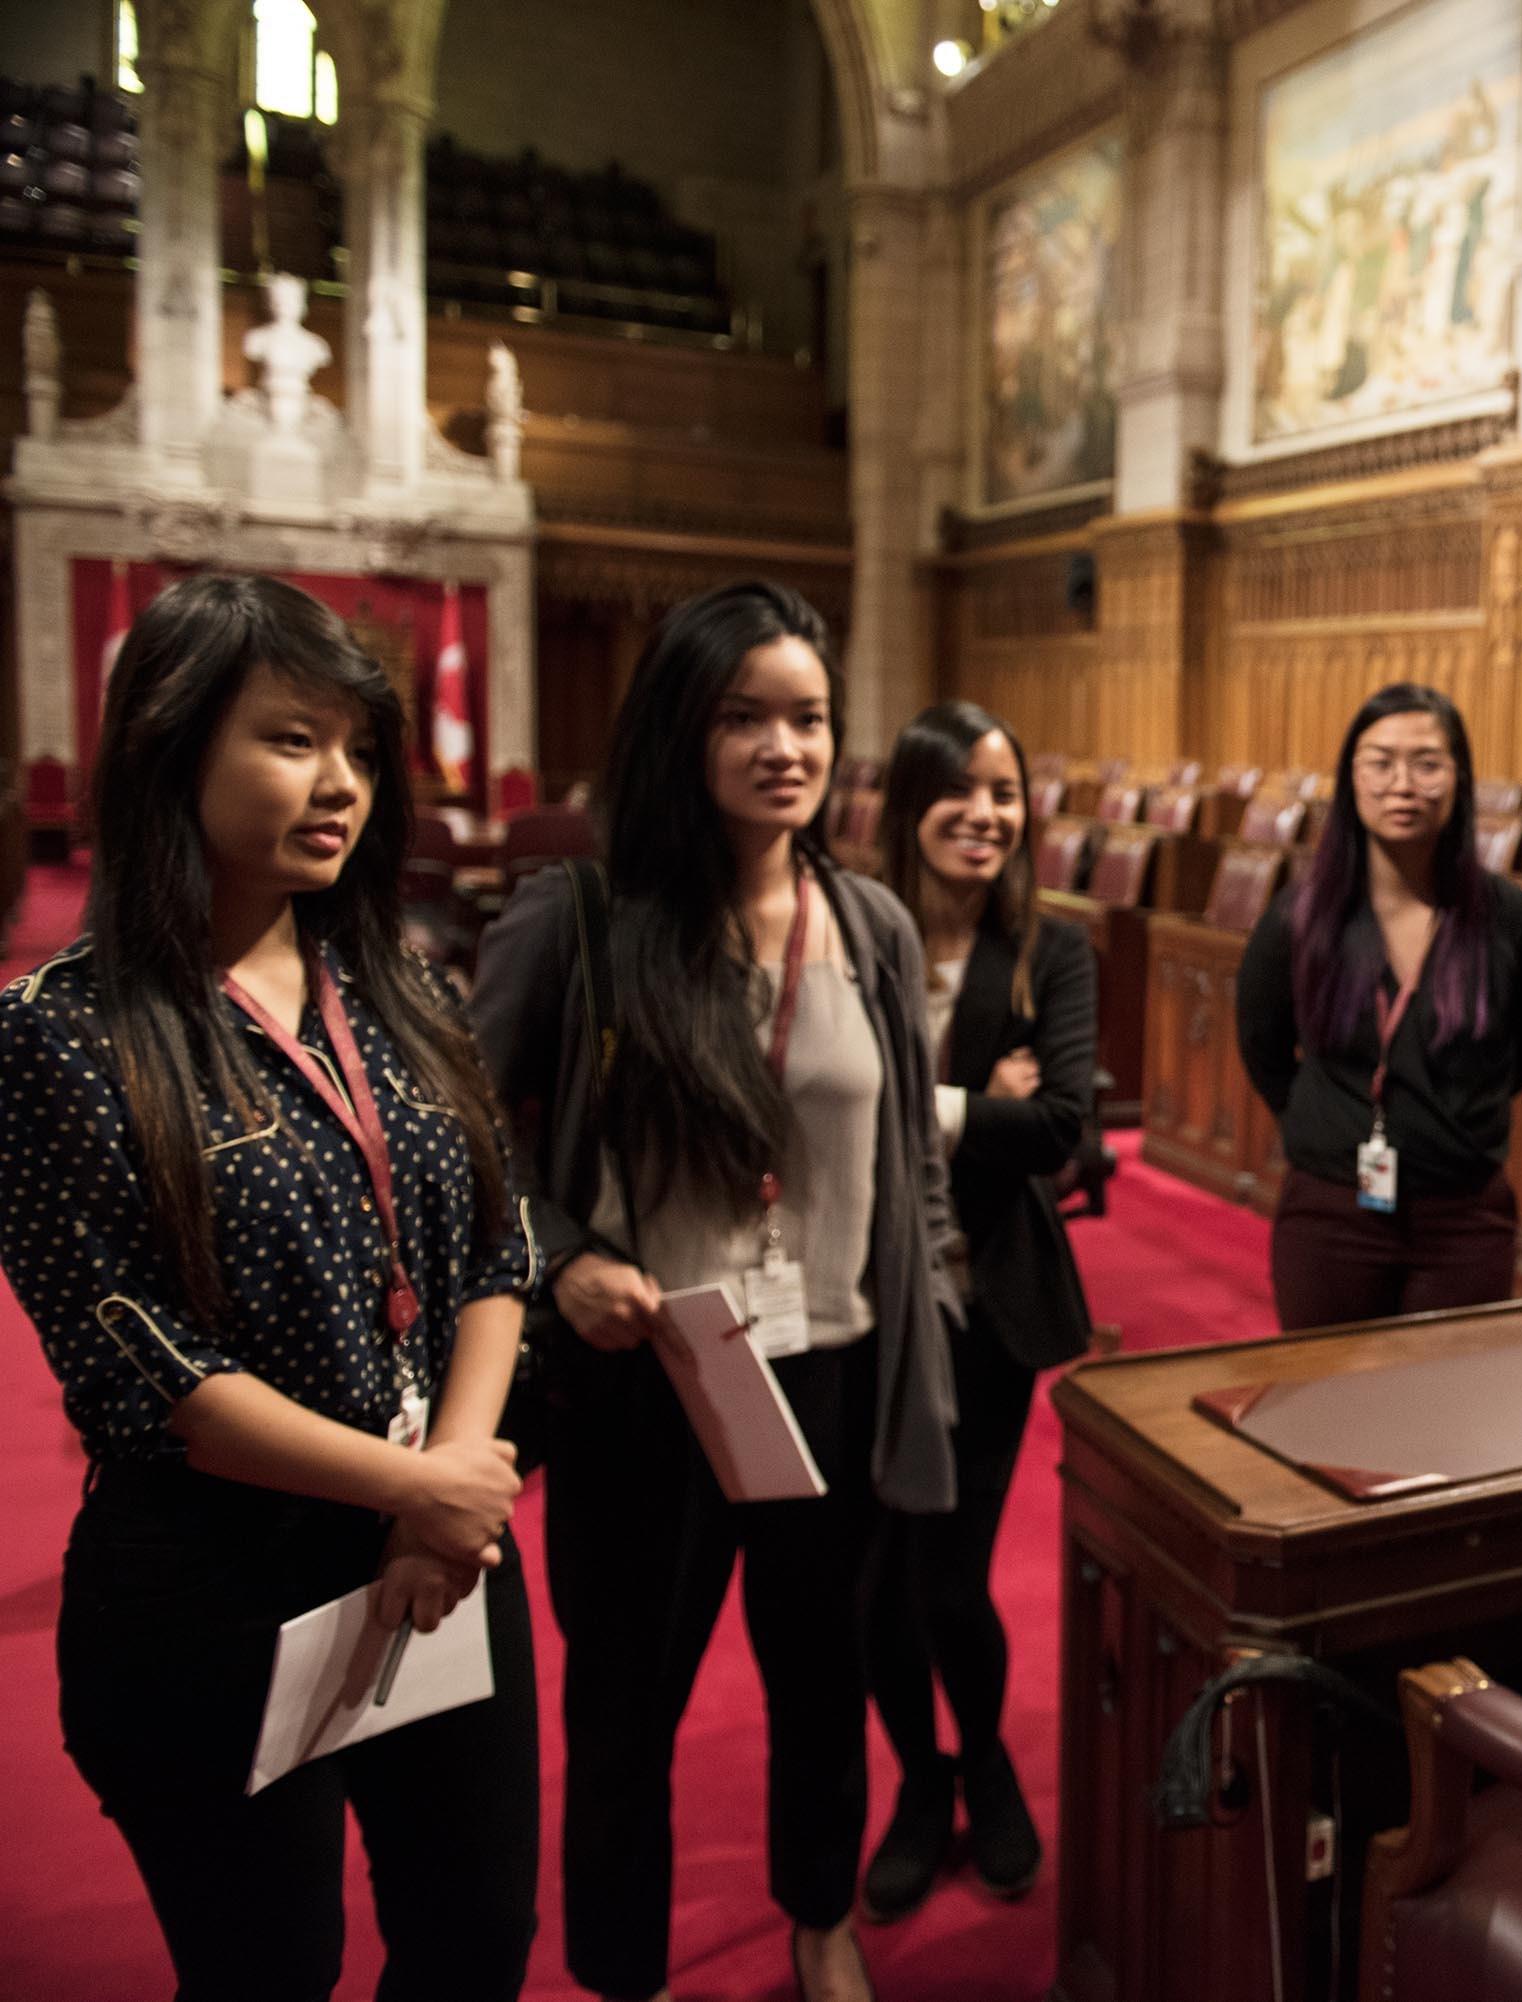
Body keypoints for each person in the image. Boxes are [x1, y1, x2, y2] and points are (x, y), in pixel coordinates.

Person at [0, 572, 539, 1999]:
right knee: (266, 1969)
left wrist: (453, 1483)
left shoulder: (404, 981)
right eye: (294, 738)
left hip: (445, 1549)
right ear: (172, 744)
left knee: (475, 1941)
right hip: (216, 1589)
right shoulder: (63, 1033)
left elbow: (496, 1247)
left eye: (362, 750)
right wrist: (408, 1487)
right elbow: (148, 1370)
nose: (342, 783)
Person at [471, 581, 959, 2002]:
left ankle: (820, 1916)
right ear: (679, 727)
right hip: (652, 1378)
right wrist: (563, 1256)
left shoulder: (867, 920)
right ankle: (624, 1969)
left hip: (830, 1368)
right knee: (626, 1711)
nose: (782, 746)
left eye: (807, 716)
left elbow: (900, 1153)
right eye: (743, 714)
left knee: (823, 1682)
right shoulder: (582, 913)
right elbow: (467, 1133)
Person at [857, 700, 1093, 1919]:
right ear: (909, 804)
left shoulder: (1052, 950)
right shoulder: (845, 928)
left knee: (949, 1576)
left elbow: (1063, 1128)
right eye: (963, 791)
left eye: (1007, 794)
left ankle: (987, 1760)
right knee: (874, 1587)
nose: (987, 815)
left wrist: (926, 1106)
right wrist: (975, 1097)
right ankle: (922, 1779)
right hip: (864, 1307)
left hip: (986, 1304)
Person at [1235, 683, 1522, 1330]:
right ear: (1351, 777)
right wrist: (1331, 1121)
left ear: (1460, 778)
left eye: (1427, 763)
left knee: (1445, 1421)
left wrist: (1450, 1121)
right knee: (1325, 1414)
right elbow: (1263, 1046)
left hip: (1463, 1215)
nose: (1402, 784)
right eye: (1380, 762)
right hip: (1331, 1211)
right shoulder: (1302, 918)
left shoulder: (1508, 919)